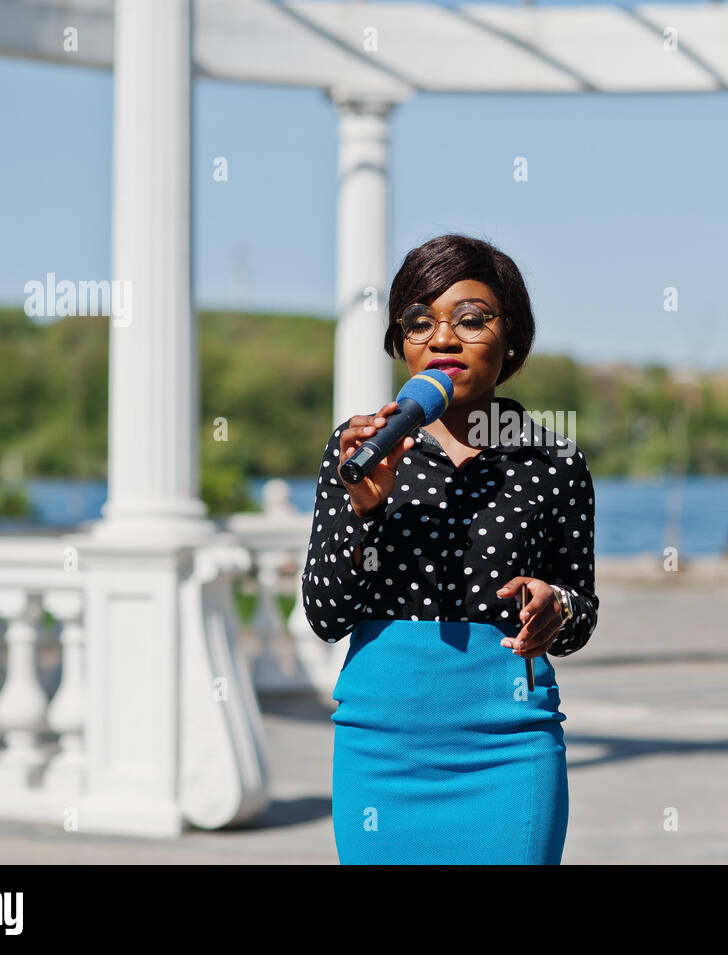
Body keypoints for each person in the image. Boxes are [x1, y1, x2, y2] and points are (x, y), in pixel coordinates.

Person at [301, 233, 599, 865]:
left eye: (471, 319)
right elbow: (326, 617)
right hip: (382, 752)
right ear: (400, 345)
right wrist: (365, 511)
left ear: (512, 338)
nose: (441, 339)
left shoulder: (554, 462)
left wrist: (556, 605)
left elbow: (580, 617)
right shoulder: (360, 450)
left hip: (510, 750)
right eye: (418, 322)